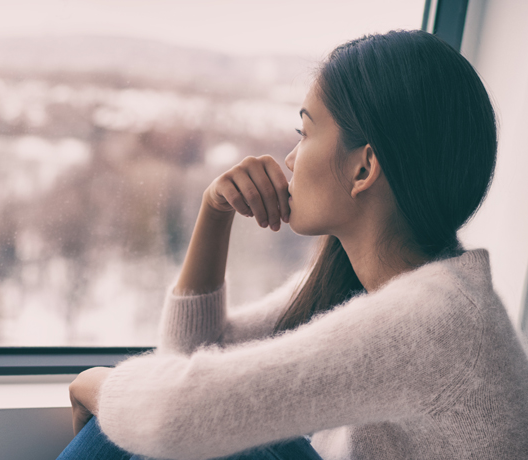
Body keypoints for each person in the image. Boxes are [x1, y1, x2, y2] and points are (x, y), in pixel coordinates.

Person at [58, 29, 528, 460]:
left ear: (363, 170)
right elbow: (190, 362)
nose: (289, 158)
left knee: (126, 430)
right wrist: (214, 213)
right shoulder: (368, 280)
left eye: (304, 133)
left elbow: (171, 417)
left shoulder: (434, 320)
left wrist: (97, 385)